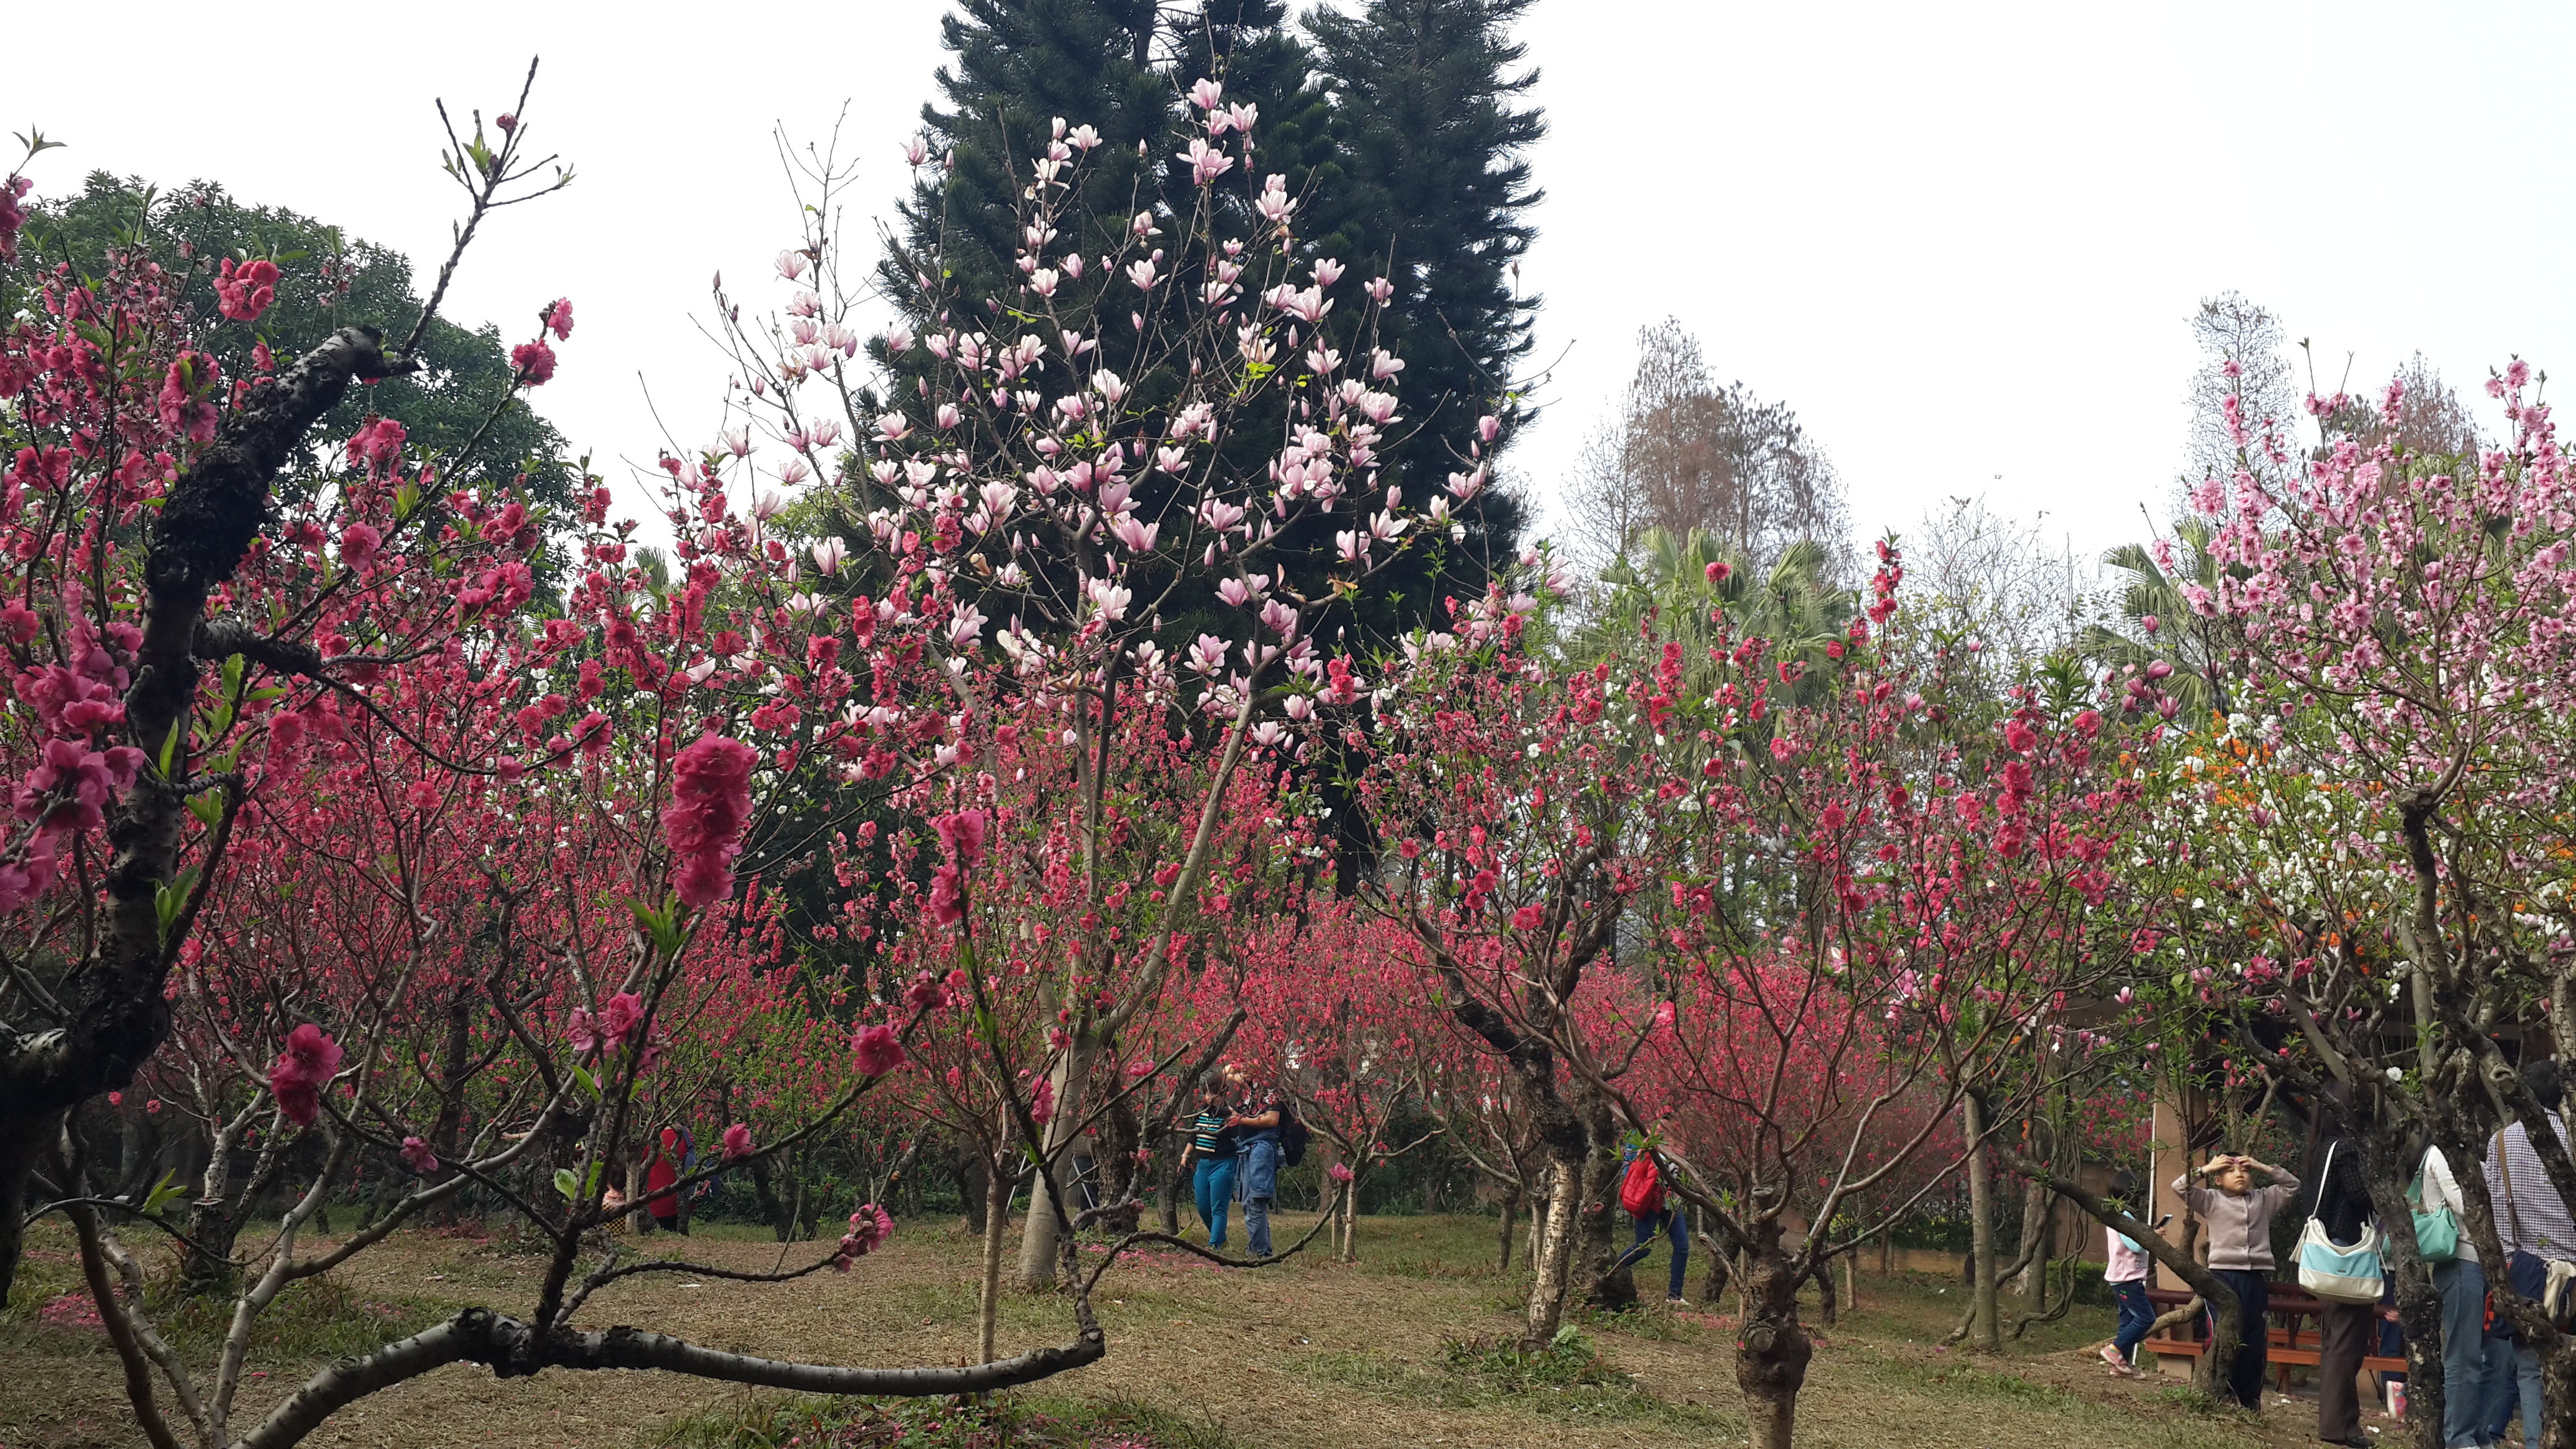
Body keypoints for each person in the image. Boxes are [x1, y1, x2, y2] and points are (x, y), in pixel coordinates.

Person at [2484, 1059, 2575, 1448]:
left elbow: (2499, 1211)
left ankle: (2539, 1441)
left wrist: (2507, 1262)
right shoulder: (2571, 1139)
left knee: (2528, 1369)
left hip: (2526, 1266)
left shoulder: (2502, 1142)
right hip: (2573, 1266)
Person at [2173, 1151, 2300, 1412]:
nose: (2239, 1174)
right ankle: (2220, 1391)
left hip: (2254, 1277)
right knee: (2223, 1330)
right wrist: (2206, 1169)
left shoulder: (2264, 1200)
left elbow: (2293, 1184)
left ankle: (2249, 1397)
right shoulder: (2210, 1200)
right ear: (2219, 1180)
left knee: (2254, 1335)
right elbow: (2179, 1186)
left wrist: (2263, 1166)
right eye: (2230, 1170)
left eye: (2244, 1170)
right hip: (2223, 1275)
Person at [2417, 1136, 2499, 1449]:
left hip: (2491, 1263)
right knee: (2463, 1355)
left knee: (2498, 1356)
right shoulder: (2441, 1152)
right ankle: (2460, 1438)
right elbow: (2467, 1206)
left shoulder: (2478, 1152)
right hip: (2460, 1259)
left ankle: (2480, 1433)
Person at [2308, 1128, 2377, 1449]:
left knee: (2336, 1340)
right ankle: (2339, 1426)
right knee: (2347, 1342)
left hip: (2326, 1253)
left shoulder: (2321, 1147)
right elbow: (2359, 1194)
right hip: (2345, 1251)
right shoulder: (2346, 1148)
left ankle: (2344, 1424)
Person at [1613, 1128, 1689, 1306]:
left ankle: (1675, 1296)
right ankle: (1612, 1271)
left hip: (1671, 1203)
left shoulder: (1683, 1138)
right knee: (1644, 1246)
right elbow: (1635, 1170)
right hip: (1649, 1202)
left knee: (1682, 1247)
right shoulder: (1647, 1139)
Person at [1224, 1064, 1287, 1259]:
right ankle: (1259, 1248)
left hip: (1261, 1147)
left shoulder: (1270, 1089)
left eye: (1250, 1063)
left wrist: (1241, 1120)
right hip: (1245, 1147)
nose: (1243, 1068)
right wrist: (1239, 1063)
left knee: (1256, 1201)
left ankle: (1261, 1252)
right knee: (1247, 1203)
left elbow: (1272, 1120)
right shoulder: (1247, 1086)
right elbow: (1226, 1071)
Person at [2099, 1194, 2155, 1378]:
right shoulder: (2123, 1217)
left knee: (2128, 1321)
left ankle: (2120, 1366)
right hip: (2127, 1279)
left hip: (2123, 1278)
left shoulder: (2115, 1216)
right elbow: (2136, 1246)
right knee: (2146, 1318)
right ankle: (2114, 1350)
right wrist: (2152, 1236)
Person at [1180, 1080, 1235, 1249]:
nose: (1208, 1097)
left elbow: (1228, 1117)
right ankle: (1220, 1238)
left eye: (1212, 1094)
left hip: (1222, 1164)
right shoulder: (1201, 1113)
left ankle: (1214, 1246)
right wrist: (1185, 1156)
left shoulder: (1228, 1115)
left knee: (1218, 1207)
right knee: (1203, 1207)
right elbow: (1194, 1136)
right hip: (1202, 1165)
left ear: (1222, 1095)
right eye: (1206, 1093)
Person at [642, 1126, 687, 1235]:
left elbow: (639, 1166)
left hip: (655, 1199)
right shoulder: (687, 1136)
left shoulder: (651, 1138)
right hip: (681, 1201)